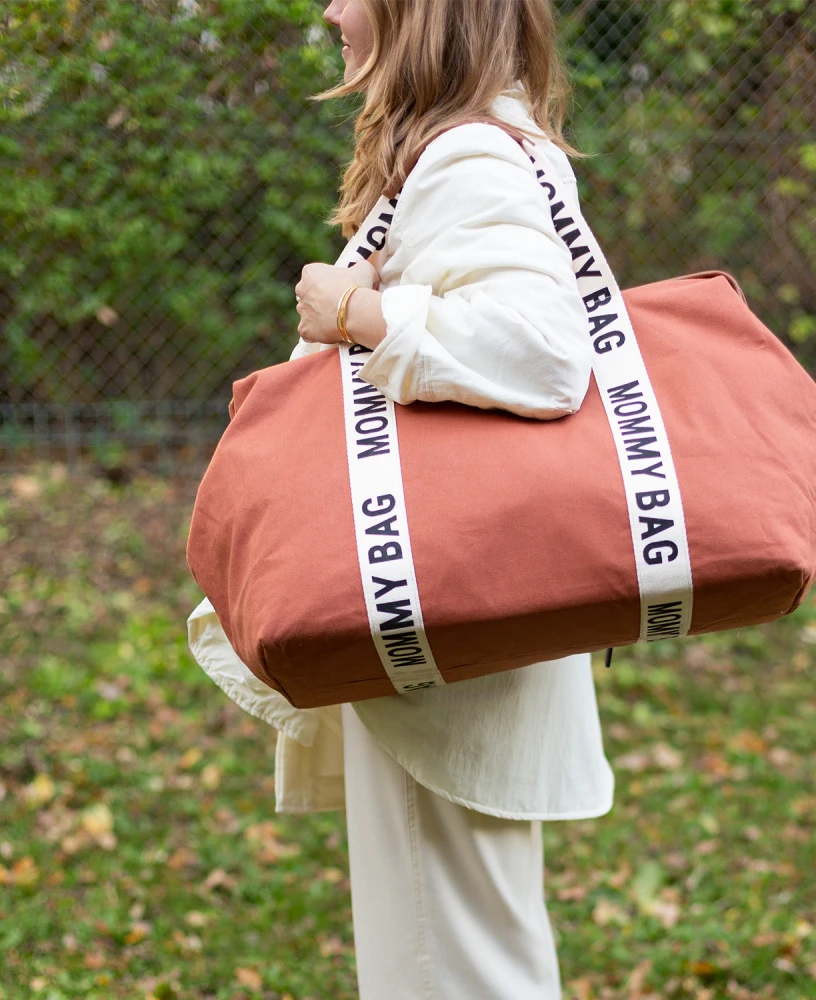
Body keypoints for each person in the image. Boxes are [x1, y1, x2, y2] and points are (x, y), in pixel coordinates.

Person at [186, 1, 615, 996]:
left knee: (449, 967)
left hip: (446, 646)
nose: (331, 11)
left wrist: (356, 311)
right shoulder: (488, 144)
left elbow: (548, 354)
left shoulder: (467, 157)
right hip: (454, 635)